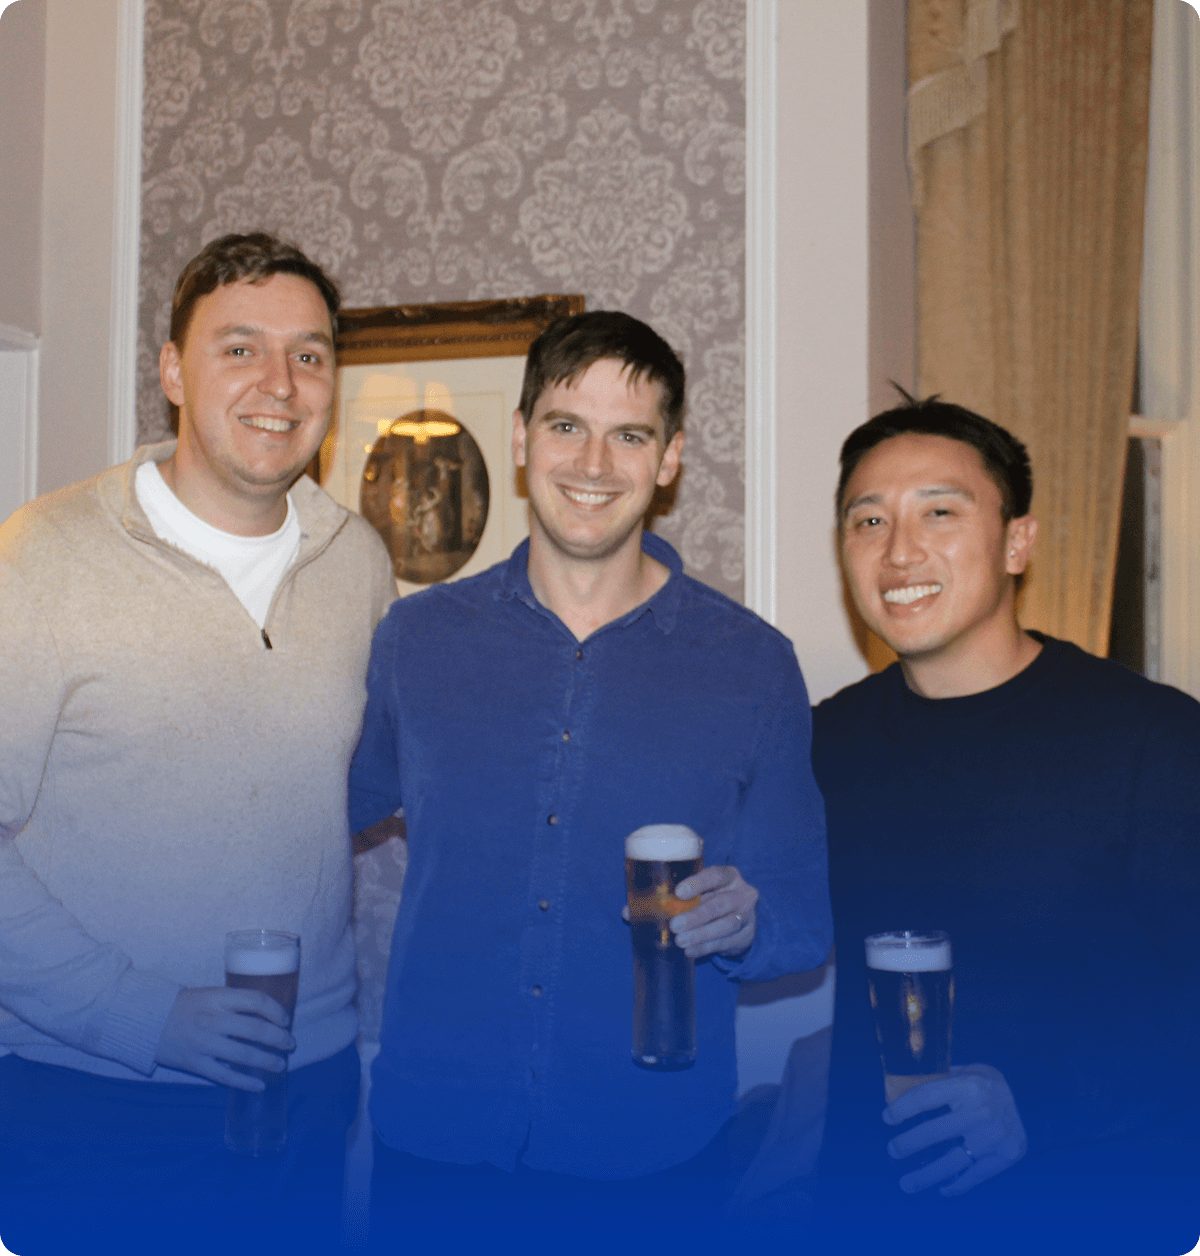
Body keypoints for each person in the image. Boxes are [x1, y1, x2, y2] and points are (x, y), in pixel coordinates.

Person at [348, 310, 833, 1247]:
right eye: (567, 426)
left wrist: (748, 920)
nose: (594, 463)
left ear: (672, 456)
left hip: (650, 1155)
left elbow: (802, 918)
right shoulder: (418, 640)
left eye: (630, 435)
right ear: (523, 438)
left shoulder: (753, 665)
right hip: (433, 1145)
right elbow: (313, 814)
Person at [0, 233, 396, 1256]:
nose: (280, 383)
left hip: (304, 1090)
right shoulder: (41, 555)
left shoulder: (358, 563)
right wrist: (147, 1015)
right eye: (239, 348)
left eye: (309, 354)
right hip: (91, 1095)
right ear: (172, 370)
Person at [810, 396, 1200, 1254]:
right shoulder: (825, 741)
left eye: (940, 513)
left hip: (1096, 1207)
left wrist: (1040, 1100)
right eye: (868, 519)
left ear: (1017, 542)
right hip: (871, 1210)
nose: (899, 550)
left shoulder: (1155, 740)